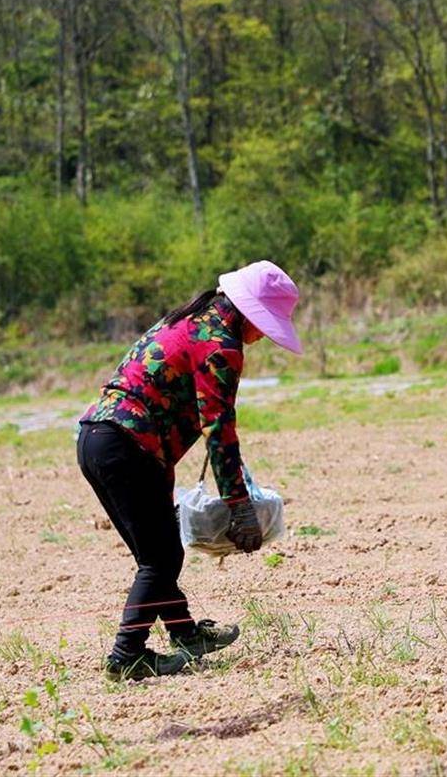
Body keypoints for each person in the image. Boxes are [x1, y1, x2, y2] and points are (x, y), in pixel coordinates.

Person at [77, 261, 302, 679]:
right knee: (161, 558)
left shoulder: (191, 319)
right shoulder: (221, 344)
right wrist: (240, 507)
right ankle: (127, 655)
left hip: (99, 439)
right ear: (250, 312)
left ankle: (185, 634)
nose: (262, 337)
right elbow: (217, 426)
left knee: (157, 553)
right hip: (126, 447)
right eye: (265, 325)